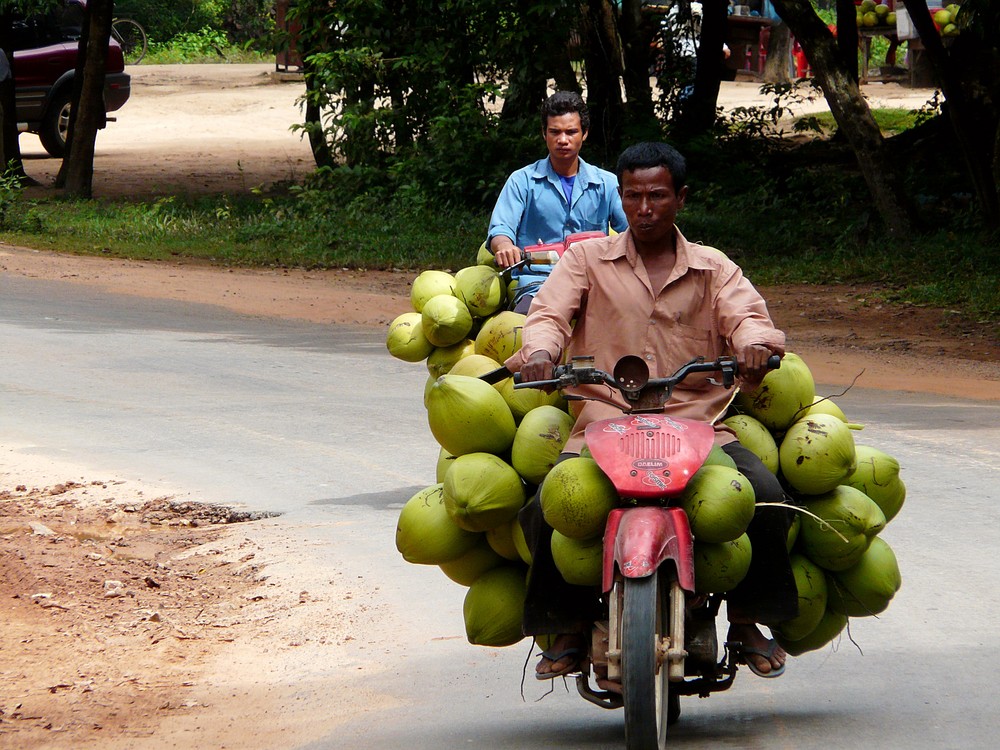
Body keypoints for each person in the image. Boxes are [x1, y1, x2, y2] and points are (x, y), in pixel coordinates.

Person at [502, 141, 798, 684]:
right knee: (547, 505)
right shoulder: (586, 261)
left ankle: (749, 620)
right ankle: (565, 627)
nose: (644, 208)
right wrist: (541, 349)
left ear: (680, 198)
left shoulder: (714, 269)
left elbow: (749, 317)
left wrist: (757, 344)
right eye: (633, 195)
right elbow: (549, 314)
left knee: (766, 496)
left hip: (698, 428)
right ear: (620, 195)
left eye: (657, 196)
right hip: (605, 425)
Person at [486, 91, 628, 313]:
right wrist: (504, 246)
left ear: (585, 134)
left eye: (571, 132)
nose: (563, 139)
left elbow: (632, 228)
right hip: (537, 286)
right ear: (544, 134)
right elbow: (501, 228)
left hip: (595, 285)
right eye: (555, 132)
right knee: (529, 329)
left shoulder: (607, 184)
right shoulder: (522, 181)